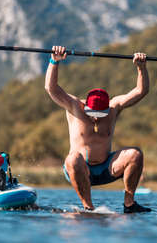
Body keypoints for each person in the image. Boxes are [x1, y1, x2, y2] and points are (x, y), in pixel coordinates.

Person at [45, 46, 151, 213]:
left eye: (100, 114)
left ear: (107, 109)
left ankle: (129, 204)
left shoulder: (115, 107)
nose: (95, 118)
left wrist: (141, 67)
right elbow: (51, 88)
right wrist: (54, 61)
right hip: (79, 169)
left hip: (106, 168)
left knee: (135, 154)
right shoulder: (74, 106)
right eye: (92, 114)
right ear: (85, 106)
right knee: (73, 158)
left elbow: (141, 91)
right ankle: (88, 207)